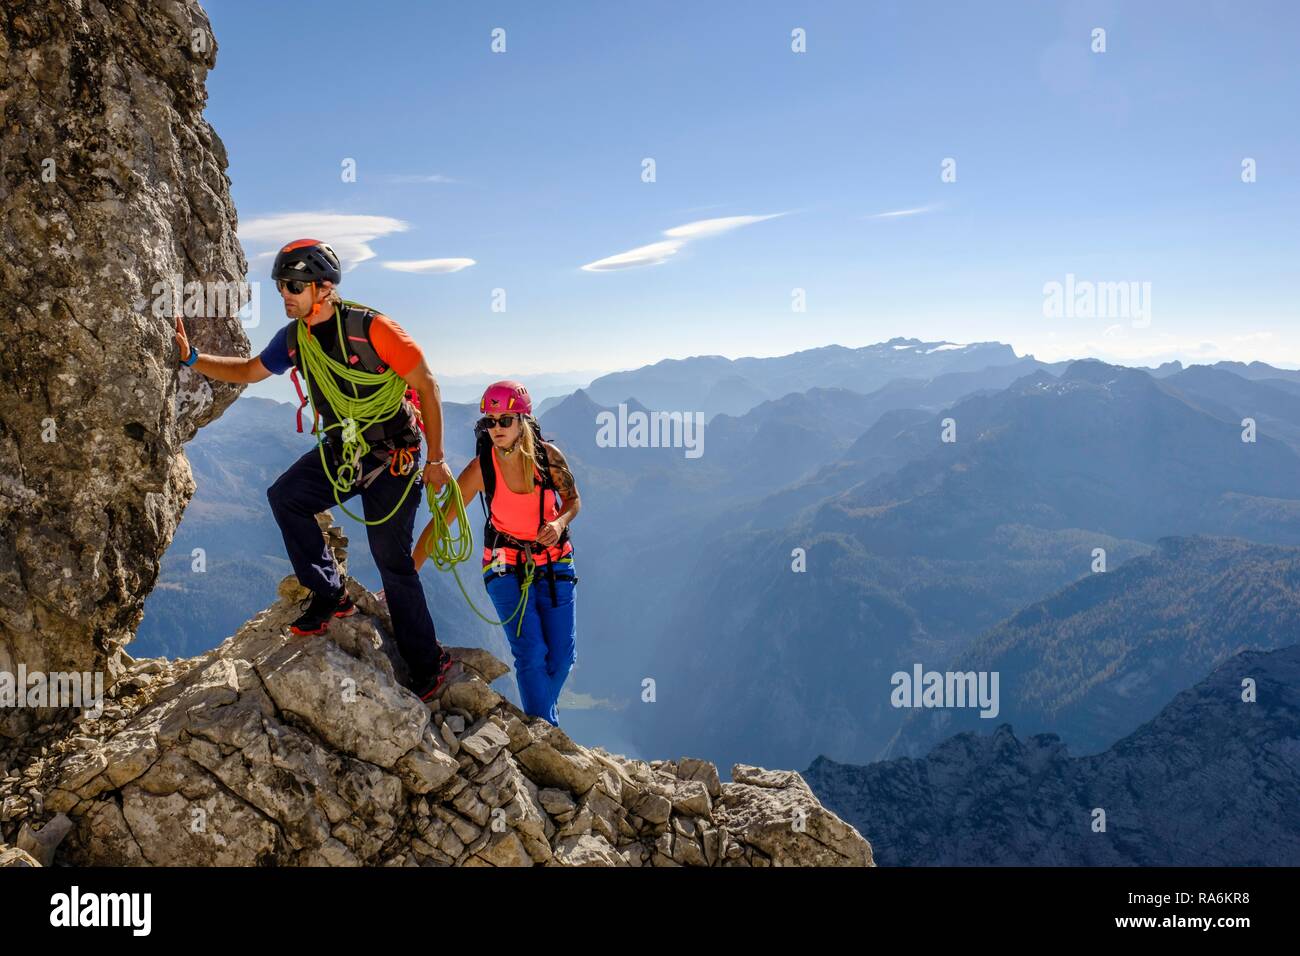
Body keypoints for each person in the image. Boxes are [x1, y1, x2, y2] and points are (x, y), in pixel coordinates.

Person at [174, 238, 454, 700]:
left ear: (323, 288)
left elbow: (427, 385)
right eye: (281, 285)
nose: (284, 294)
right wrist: (191, 358)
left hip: (395, 455)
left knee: (393, 561)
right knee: (286, 497)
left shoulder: (373, 330)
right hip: (346, 448)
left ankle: (428, 663)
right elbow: (248, 371)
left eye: (293, 286)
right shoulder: (295, 338)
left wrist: (439, 460)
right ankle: (329, 594)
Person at [414, 381, 580, 725]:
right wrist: (405, 575)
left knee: (563, 657)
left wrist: (560, 523)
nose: (496, 428)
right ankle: (544, 732)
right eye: (490, 421)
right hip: (504, 563)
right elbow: (442, 521)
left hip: (554, 561)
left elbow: (573, 501)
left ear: (523, 420)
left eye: (505, 420)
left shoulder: (549, 459)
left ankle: (543, 720)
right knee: (531, 653)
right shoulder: (481, 469)